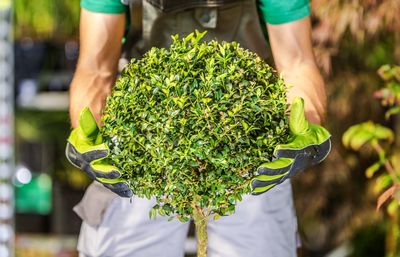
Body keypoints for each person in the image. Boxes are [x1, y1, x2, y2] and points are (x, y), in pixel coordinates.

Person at [65, 1, 331, 256]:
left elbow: (297, 63)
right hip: (143, 142)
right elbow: (96, 70)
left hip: (249, 143)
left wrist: (304, 121)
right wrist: (90, 132)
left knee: (262, 242)